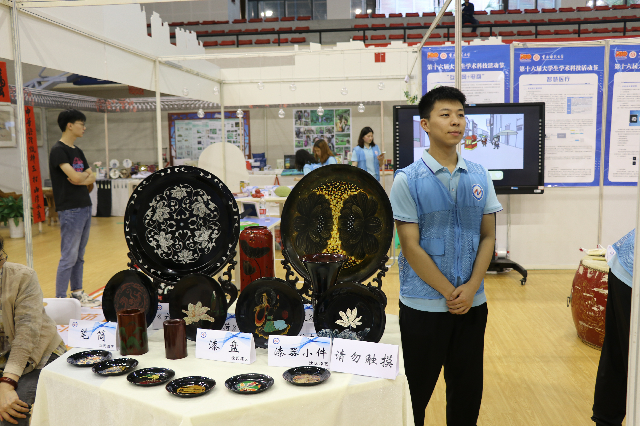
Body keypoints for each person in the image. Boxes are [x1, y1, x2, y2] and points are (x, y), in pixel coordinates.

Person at [389, 86, 502, 426]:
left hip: (472, 305)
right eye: (446, 115)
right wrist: (449, 292)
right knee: (415, 394)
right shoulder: (407, 180)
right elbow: (410, 245)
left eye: (461, 115)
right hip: (423, 307)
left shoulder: (480, 175)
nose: (456, 122)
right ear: (425, 124)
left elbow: (488, 236)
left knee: (467, 394)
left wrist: (471, 288)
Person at [0, 236, 67, 425]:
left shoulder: (22, 277)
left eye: (1, 257)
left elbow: (26, 336)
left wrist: (7, 383)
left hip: (36, 356)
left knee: (12, 411)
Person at [49, 109, 100, 307]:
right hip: (70, 209)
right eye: (81, 124)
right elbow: (78, 177)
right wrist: (82, 177)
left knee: (79, 255)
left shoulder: (77, 151)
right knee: (68, 256)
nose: (84, 127)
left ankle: (77, 292)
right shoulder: (58, 150)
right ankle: (60, 299)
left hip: (84, 206)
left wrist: (81, 178)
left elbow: (90, 176)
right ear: (70, 125)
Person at [592, 229, 635, 426]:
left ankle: (606, 420)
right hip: (630, 271)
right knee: (622, 356)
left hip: (625, 265)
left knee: (617, 354)